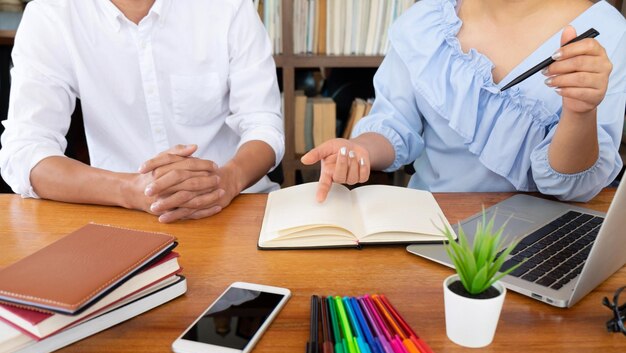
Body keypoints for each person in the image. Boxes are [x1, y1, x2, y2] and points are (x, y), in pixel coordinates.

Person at [302, 0, 626, 203]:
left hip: (543, 238)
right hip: (431, 227)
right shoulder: (426, 20)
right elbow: (394, 125)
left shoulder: (605, 31)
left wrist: (580, 112)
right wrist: (360, 149)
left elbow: (572, 187)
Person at [0, 0, 284, 223]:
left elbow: (263, 124)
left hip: (237, 206)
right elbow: (25, 152)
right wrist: (131, 189)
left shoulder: (229, 7)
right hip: (118, 216)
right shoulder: (51, 16)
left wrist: (227, 181)